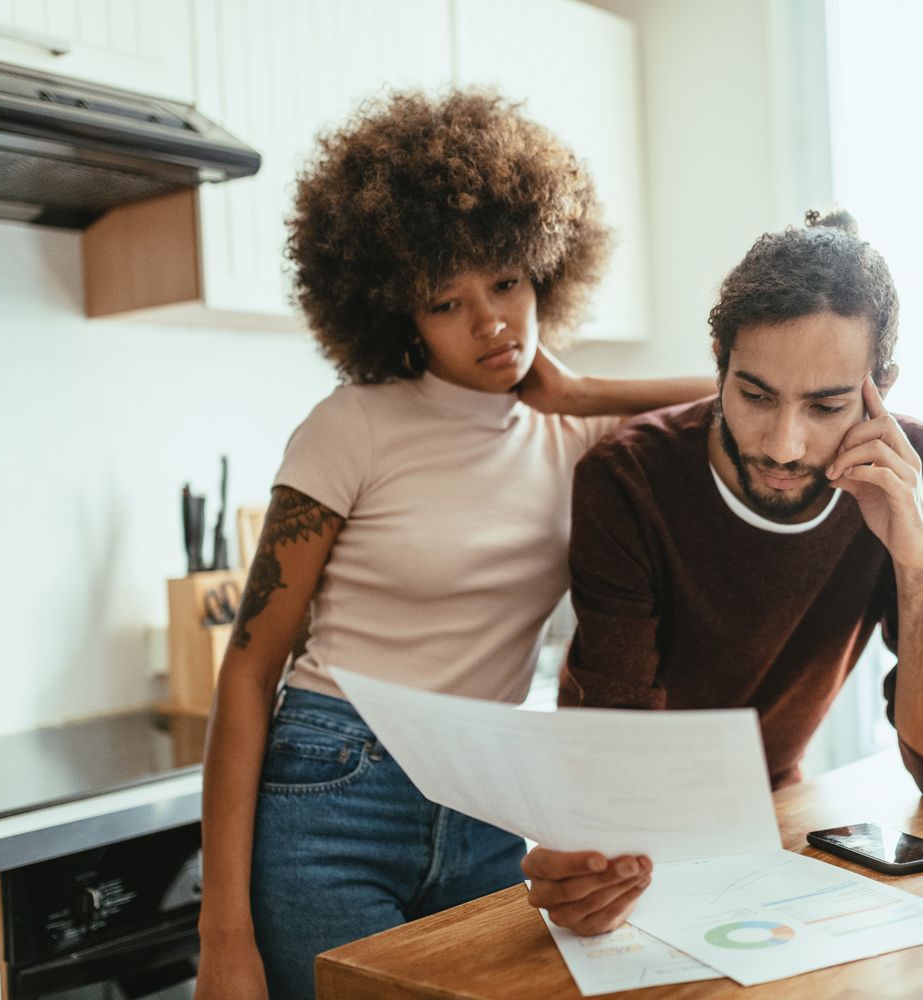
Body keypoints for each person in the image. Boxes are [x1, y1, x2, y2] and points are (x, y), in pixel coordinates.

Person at [194, 89, 711, 1000]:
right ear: (399, 314)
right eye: (447, 300)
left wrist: (583, 393)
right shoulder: (350, 426)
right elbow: (247, 669)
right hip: (332, 795)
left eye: (507, 281)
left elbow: (758, 403)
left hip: (487, 804)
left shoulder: (576, 438)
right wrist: (222, 937)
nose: (493, 323)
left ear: (548, 264)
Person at [522, 210, 923, 936]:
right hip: (641, 833)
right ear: (718, 360)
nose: (783, 444)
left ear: (880, 389)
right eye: (755, 395)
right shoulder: (627, 478)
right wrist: (597, 861)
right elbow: (613, 744)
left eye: (828, 405)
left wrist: (919, 564)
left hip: (773, 821)